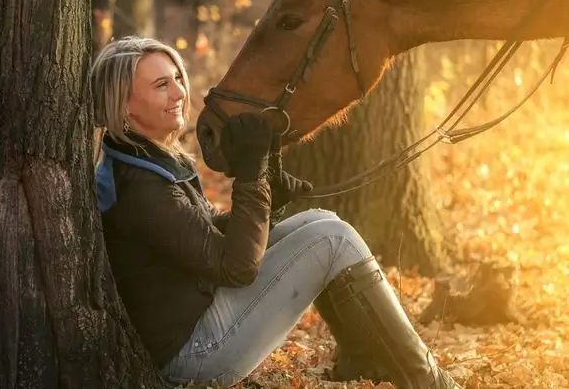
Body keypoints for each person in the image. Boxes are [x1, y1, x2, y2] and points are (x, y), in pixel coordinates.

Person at [91, 36, 463, 389]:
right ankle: (426, 378)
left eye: (176, 78)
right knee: (331, 240)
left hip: (199, 314)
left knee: (321, 222)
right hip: (195, 353)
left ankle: (362, 356)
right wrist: (251, 176)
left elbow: (208, 235)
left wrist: (269, 195)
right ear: (125, 105)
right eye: (160, 85)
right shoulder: (141, 186)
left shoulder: (143, 160)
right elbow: (236, 267)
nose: (178, 93)